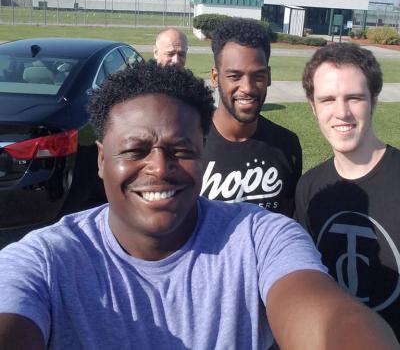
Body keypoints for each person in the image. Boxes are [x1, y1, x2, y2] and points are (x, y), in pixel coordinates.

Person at [0, 62, 397, 349]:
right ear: (102, 159)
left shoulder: (260, 237)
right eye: (136, 150)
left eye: (180, 150)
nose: (159, 167)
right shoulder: (47, 258)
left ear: (203, 154)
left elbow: (327, 318)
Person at [295, 42, 400, 341]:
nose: (341, 112)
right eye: (327, 99)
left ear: (374, 100)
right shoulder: (311, 188)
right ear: (313, 107)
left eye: (354, 98)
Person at [201, 18, 302, 217]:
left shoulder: (287, 144)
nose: (247, 88)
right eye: (234, 76)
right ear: (215, 77)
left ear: (269, 77)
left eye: (258, 76)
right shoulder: (189, 143)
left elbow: (286, 223)